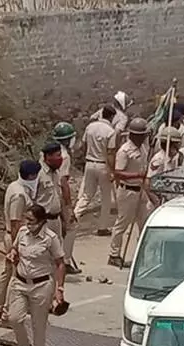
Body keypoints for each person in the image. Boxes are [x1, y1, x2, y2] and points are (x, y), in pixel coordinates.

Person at [6, 204, 66, 346]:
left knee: (38, 324)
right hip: (20, 282)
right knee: (14, 318)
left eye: (31, 220)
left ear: (41, 221)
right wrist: (12, 254)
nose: (28, 223)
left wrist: (59, 289)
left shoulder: (50, 238)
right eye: (27, 219)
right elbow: (15, 249)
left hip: (41, 285)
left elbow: (60, 263)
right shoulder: (23, 232)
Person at [0, 160, 39, 322]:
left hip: (11, 236)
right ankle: (6, 313)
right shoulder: (19, 194)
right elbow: (15, 222)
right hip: (15, 237)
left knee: (7, 273)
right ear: (32, 175)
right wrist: (16, 247)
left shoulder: (15, 186)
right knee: (15, 276)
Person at [109, 118, 151, 268]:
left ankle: (143, 254)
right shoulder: (124, 151)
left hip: (141, 191)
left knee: (144, 223)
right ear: (133, 135)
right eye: (141, 135)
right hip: (127, 191)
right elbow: (118, 173)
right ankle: (114, 254)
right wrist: (138, 175)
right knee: (122, 224)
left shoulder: (144, 149)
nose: (143, 138)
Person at [74, 105, 118, 237]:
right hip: (103, 165)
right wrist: (113, 170)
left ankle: (74, 216)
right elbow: (110, 153)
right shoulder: (110, 131)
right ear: (111, 117)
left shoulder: (90, 127)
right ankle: (102, 227)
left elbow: (84, 145)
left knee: (87, 195)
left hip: (89, 163)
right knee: (106, 199)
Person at [51, 122, 80, 275]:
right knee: (71, 226)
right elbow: (63, 182)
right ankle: (65, 260)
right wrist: (68, 206)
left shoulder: (48, 152)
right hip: (58, 196)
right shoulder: (65, 156)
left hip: (47, 194)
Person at [37, 142, 67, 240]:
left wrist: (63, 219)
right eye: (58, 155)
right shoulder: (39, 174)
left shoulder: (56, 172)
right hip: (43, 221)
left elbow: (58, 196)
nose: (60, 158)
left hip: (56, 220)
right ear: (48, 157)